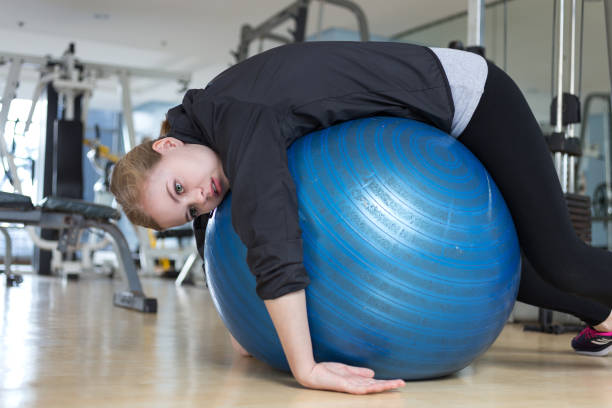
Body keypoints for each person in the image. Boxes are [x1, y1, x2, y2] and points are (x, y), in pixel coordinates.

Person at [110, 41, 612, 394]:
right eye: (188, 207)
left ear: (169, 144)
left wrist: (303, 366)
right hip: (420, 127)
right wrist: (240, 320)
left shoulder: (234, 116)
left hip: (467, 97)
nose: (201, 196)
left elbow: (271, 223)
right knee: (486, 269)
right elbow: (209, 228)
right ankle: (604, 315)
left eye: (180, 187)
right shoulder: (202, 137)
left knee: (561, 257)